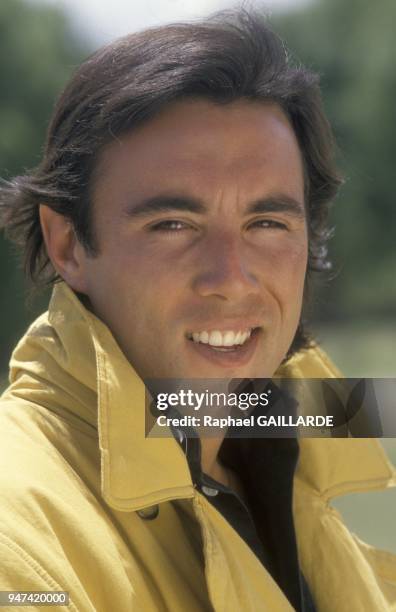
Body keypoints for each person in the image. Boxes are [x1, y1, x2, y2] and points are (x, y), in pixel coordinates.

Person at [0, 9, 395, 612]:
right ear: (68, 245)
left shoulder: (299, 433)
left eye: (266, 222)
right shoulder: (19, 539)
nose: (231, 280)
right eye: (173, 224)